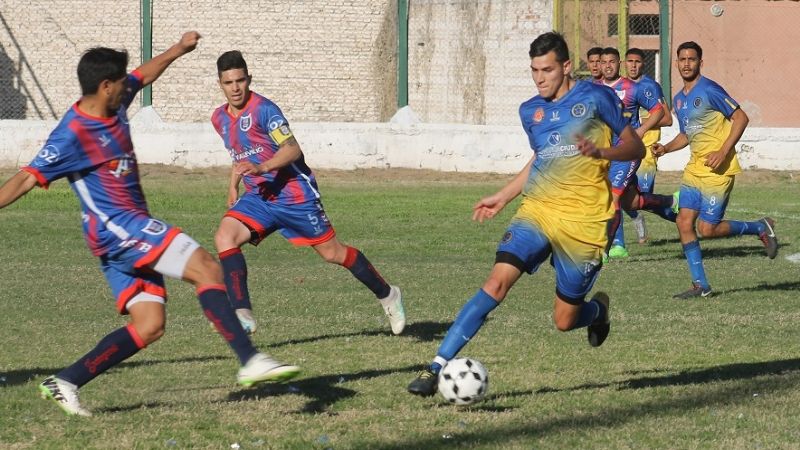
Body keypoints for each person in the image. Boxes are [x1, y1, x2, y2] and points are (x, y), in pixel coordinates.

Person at [0, 32, 300, 417]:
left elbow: (145, 74)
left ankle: (66, 381)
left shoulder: (116, 97)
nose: (129, 84)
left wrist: (179, 48)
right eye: (121, 81)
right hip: (121, 231)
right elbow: (26, 177)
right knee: (207, 267)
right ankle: (250, 359)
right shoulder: (71, 135)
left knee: (149, 325)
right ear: (104, 86)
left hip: (121, 237)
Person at [407, 32, 644, 397]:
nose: (539, 78)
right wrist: (503, 196)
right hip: (538, 209)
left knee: (564, 320)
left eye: (547, 70)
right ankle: (434, 367)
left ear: (566, 66)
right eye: (534, 70)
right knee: (496, 283)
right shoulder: (529, 111)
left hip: (584, 222)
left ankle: (597, 312)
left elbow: (634, 145)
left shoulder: (598, 97)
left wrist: (602, 154)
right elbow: (541, 158)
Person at [210, 51, 405, 336]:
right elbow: (239, 153)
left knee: (333, 253)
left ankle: (388, 295)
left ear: (249, 79)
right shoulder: (219, 118)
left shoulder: (265, 111)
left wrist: (262, 166)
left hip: (295, 196)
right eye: (229, 82)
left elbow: (292, 149)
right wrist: (233, 184)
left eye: (241, 80)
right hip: (260, 198)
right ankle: (242, 312)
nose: (236, 88)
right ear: (220, 84)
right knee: (224, 236)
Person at [653, 41, 778, 299]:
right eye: (682, 59)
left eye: (691, 59)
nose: (686, 64)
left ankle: (759, 227)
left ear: (700, 62)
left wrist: (722, 151)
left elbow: (741, 117)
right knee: (683, 221)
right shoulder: (679, 99)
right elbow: (686, 135)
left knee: (708, 230)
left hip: (718, 170)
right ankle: (701, 285)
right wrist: (665, 148)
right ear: (676, 63)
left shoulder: (709, 89)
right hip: (694, 169)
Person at [599, 47, 675, 260]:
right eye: (603, 62)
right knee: (630, 202)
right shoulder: (593, 88)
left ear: (618, 63)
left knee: (612, 198)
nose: (607, 66)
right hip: (606, 153)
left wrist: (640, 131)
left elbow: (660, 112)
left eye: (612, 61)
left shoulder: (632, 87)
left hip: (628, 151)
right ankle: (671, 202)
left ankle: (609, 249)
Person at [617, 47, 674, 245]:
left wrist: (637, 125)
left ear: (643, 63)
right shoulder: (620, 87)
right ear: (624, 63)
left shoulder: (650, 86)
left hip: (646, 149)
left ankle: (678, 214)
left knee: (640, 199)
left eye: (637, 62)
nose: (633, 65)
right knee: (622, 193)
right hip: (626, 149)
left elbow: (667, 119)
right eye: (629, 61)